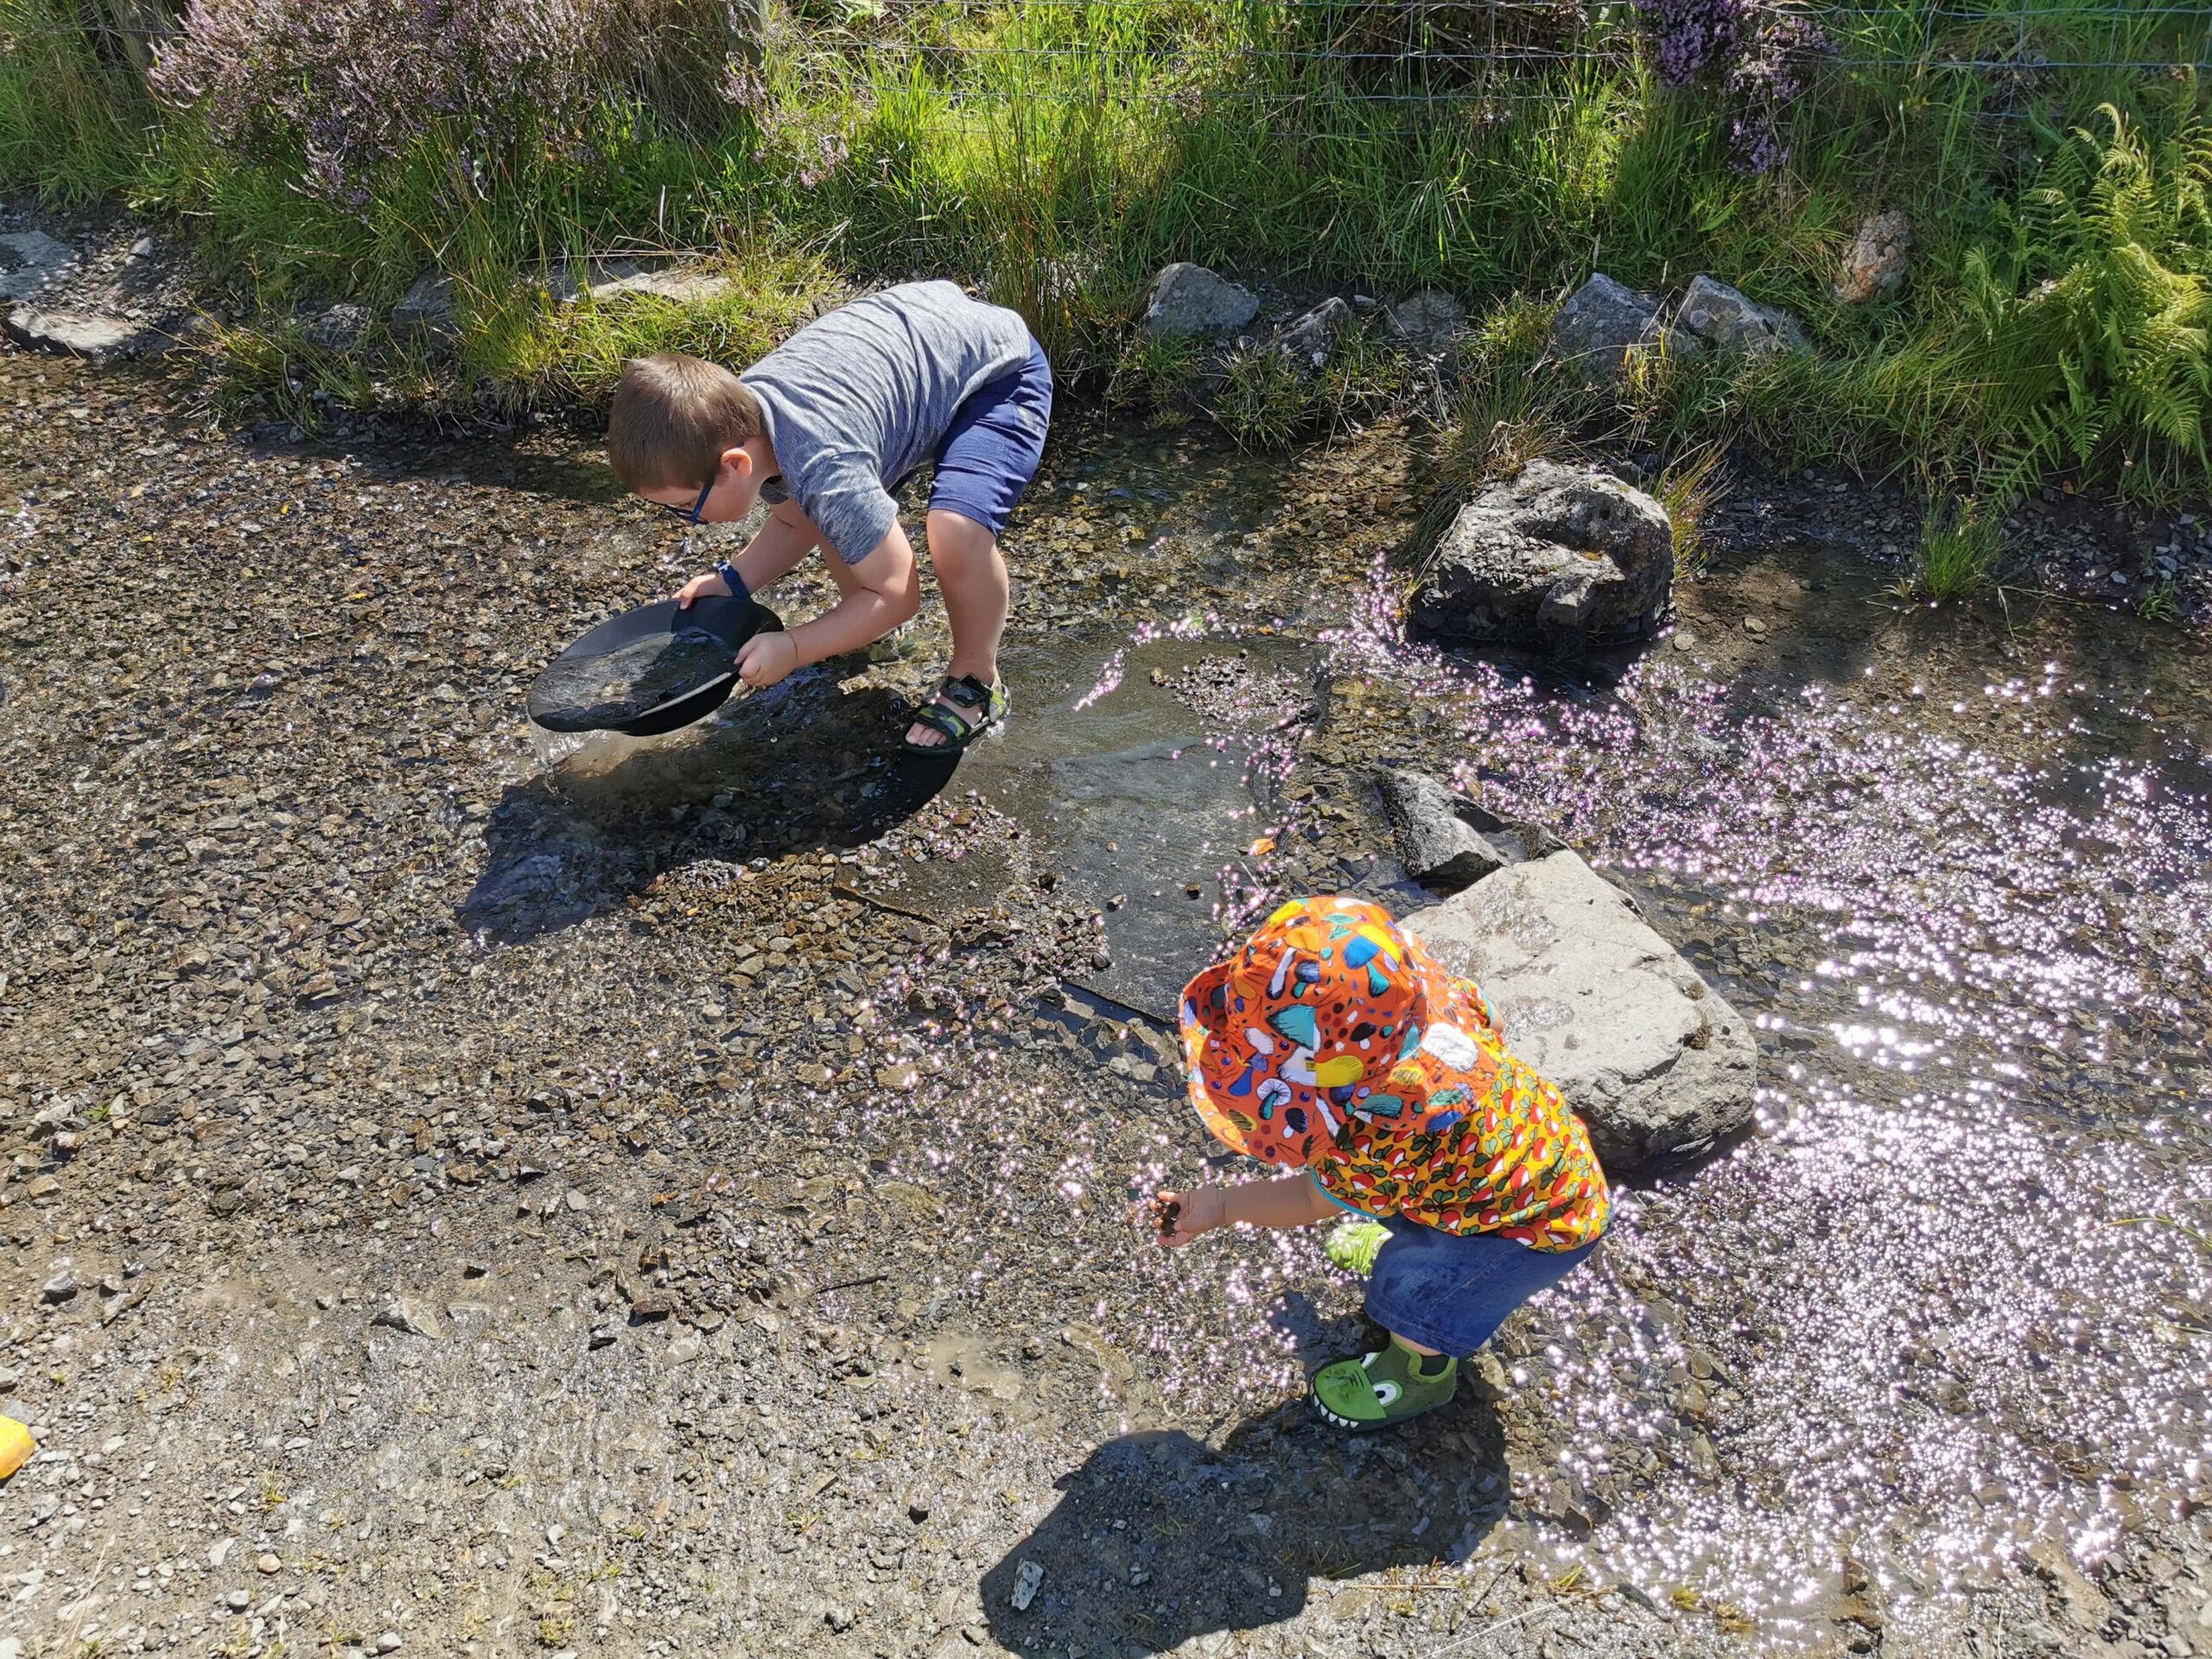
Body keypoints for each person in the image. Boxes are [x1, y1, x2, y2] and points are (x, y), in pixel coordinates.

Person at [1154, 895, 1610, 1431]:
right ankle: (1423, 1231)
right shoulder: (1449, 1015)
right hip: (1543, 1161)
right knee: (1408, 1194)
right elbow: (1495, 1020)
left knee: (1415, 1296)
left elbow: (1306, 1198)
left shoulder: (1372, 1142)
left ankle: (1419, 1377)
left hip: (1529, 1235)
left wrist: (1222, 1205)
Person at [605, 280, 1052, 753]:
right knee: (841, 528)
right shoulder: (742, 422)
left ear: (736, 465)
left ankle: (976, 680)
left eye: (684, 508)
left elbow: (900, 593)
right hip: (916, 351)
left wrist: (796, 647)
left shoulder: (822, 463)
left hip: (998, 376)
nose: (686, 520)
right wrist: (732, 583)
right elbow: (797, 521)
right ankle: (868, 634)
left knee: (955, 533)